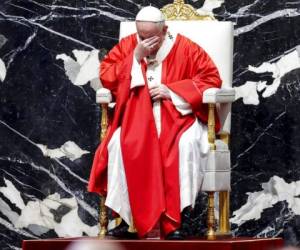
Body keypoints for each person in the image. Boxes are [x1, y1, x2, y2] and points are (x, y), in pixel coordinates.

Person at [88, 6, 222, 239]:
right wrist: (135, 58)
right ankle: (129, 220)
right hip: (135, 119)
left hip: (179, 116)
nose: (146, 43)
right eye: (142, 37)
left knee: (186, 144)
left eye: (152, 38)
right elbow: (106, 76)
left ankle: (178, 219)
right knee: (118, 144)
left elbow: (211, 79)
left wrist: (173, 91)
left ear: (164, 30)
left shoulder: (187, 48)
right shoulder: (130, 46)